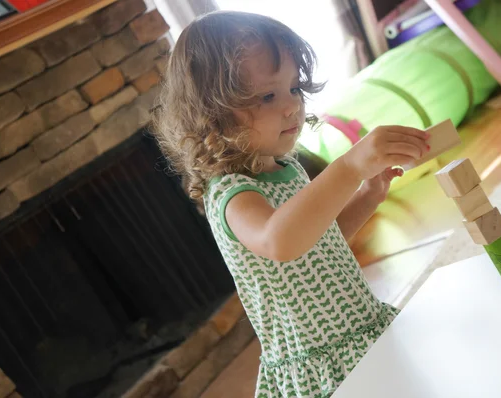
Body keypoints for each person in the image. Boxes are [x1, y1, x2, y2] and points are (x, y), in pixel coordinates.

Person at [153, 10, 430, 397]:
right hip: (322, 365)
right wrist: (348, 166)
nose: (291, 107)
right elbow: (280, 241)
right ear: (212, 113)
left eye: (294, 89)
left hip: (362, 328)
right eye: (267, 96)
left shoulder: (287, 167)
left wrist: (368, 194)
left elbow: (317, 243)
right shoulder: (232, 193)